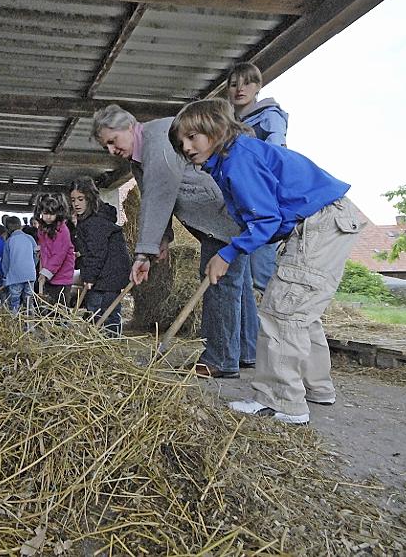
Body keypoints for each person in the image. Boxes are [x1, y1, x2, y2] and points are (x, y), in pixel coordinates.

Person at [170, 98, 363, 425]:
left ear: (217, 129)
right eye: (181, 142)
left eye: (193, 137)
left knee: (281, 311)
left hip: (318, 223)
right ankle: (316, 387)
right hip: (328, 219)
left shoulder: (237, 161)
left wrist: (226, 253)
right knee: (301, 310)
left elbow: (266, 220)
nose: (186, 147)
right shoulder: (234, 159)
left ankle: (283, 402)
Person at [92, 104, 257, 377]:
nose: (111, 150)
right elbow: (154, 197)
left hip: (221, 214)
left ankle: (219, 360)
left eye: (112, 141)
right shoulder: (140, 156)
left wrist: (143, 253)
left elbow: (159, 195)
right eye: (105, 146)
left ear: (129, 126)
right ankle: (244, 353)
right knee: (236, 285)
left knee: (219, 283)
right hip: (217, 217)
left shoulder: (158, 138)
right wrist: (163, 239)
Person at [227, 62, 290, 293]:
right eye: (233, 84)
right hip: (240, 200)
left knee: (261, 268)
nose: (239, 89)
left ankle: (273, 320)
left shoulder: (270, 117)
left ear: (258, 86)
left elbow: (277, 155)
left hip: (263, 197)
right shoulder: (228, 124)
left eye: (246, 83)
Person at [69, 177, 131, 336]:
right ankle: (100, 344)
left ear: (90, 198)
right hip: (105, 273)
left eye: (81, 199)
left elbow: (97, 253)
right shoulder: (90, 220)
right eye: (73, 199)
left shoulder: (94, 221)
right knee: (97, 311)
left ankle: (109, 347)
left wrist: (89, 277)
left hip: (109, 274)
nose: (76, 204)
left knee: (103, 313)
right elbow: (92, 249)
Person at [33, 193, 76, 306]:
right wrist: (40, 252)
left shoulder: (62, 230)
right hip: (48, 274)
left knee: (59, 308)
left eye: (52, 213)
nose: (48, 217)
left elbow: (58, 255)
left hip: (62, 277)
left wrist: (45, 272)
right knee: (46, 306)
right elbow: (45, 247)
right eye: (45, 213)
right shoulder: (42, 229)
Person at [1, 216, 37, 315]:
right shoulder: (30, 238)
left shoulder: (9, 241)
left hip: (15, 276)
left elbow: (6, 262)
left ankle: (14, 323)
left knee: (14, 301)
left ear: (7, 229)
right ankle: (30, 325)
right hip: (30, 275)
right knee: (29, 301)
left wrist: (5, 275)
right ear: (20, 226)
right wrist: (32, 266)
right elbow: (36, 255)